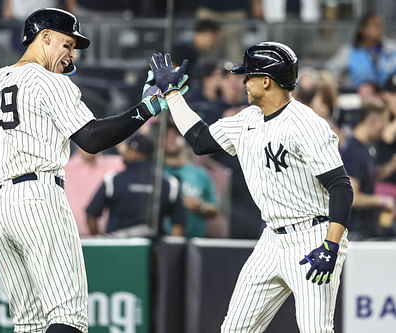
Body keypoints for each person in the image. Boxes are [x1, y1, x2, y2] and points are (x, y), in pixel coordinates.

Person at [0, 8, 181, 333]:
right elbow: (92, 139)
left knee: (28, 323)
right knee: (67, 317)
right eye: (67, 45)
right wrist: (148, 108)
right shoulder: (50, 82)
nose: (71, 56)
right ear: (45, 37)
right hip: (38, 198)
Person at [149, 42, 353, 332]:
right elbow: (200, 141)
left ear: (266, 81)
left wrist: (331, 246)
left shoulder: (307, 124)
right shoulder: (247, 119)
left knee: (316, 329)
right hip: (272, 238)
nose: (242, 81)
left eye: (248, 76)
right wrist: (172, 95)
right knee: (234, 329)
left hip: (313, 236)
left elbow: (341, 187)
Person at [86, 133, 186, 237]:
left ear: (138, 154)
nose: (124, 152)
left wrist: (100, 242)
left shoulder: (113, 180)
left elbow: (91, 214)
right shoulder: (169, 182)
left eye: (129, 149)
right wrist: (170, 252)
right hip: (153, 249)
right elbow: (179, 223)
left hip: (118, 248)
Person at [341, 102, 395, 240]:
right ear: (371, 122)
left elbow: (368, 175)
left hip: (365, 227)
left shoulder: (364, 148)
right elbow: (352, 197)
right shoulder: (353, 151)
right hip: (356, 232)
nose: (384, 128)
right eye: (382, 123)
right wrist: (381, 200)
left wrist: (391, 165)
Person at [164, 123, 218, 238]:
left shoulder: (200, 174)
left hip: (194, 242)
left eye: (175, 136)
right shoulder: (157, 171)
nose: (170, 140)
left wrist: (200, 206)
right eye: (166, 137)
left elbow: (215, 209)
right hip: (162, 240)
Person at [65, 147, 124, 236]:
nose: (90, 141)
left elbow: (137, 158)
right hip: (69, 240)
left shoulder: (117, 164)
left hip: (109, 239)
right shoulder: (63, 168)